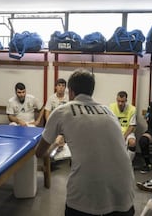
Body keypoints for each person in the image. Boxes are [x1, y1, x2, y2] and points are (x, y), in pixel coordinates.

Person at [35, 69, 135, 216]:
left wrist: (56, 143)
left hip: (86, 193)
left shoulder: (62, 110)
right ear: (91, 91)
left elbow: (40, 153)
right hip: (125, 189)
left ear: (71, 91)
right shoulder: (108, 111)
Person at [109, 90, 137, 162]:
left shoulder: (132, 109)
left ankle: (128, 162)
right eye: (118, 101)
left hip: (127, 131)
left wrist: (124, 137)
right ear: (116, 100)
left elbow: (132, 126)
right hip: (115, 131)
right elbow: (109, 123)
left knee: (132, 142)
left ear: (126, 100)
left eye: (122, 101)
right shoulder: (111, 107)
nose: (120, 103)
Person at [44, 78, 69, 157]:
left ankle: (62, 153)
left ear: (65, 88)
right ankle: (50, 156)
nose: (61, 87)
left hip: (65, 124)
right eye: (59, 85)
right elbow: (47, 112)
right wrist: (50, 124)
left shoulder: (68, 98)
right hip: (53, 124)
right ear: (56, 87)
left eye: (63, 86)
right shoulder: (51, 98)